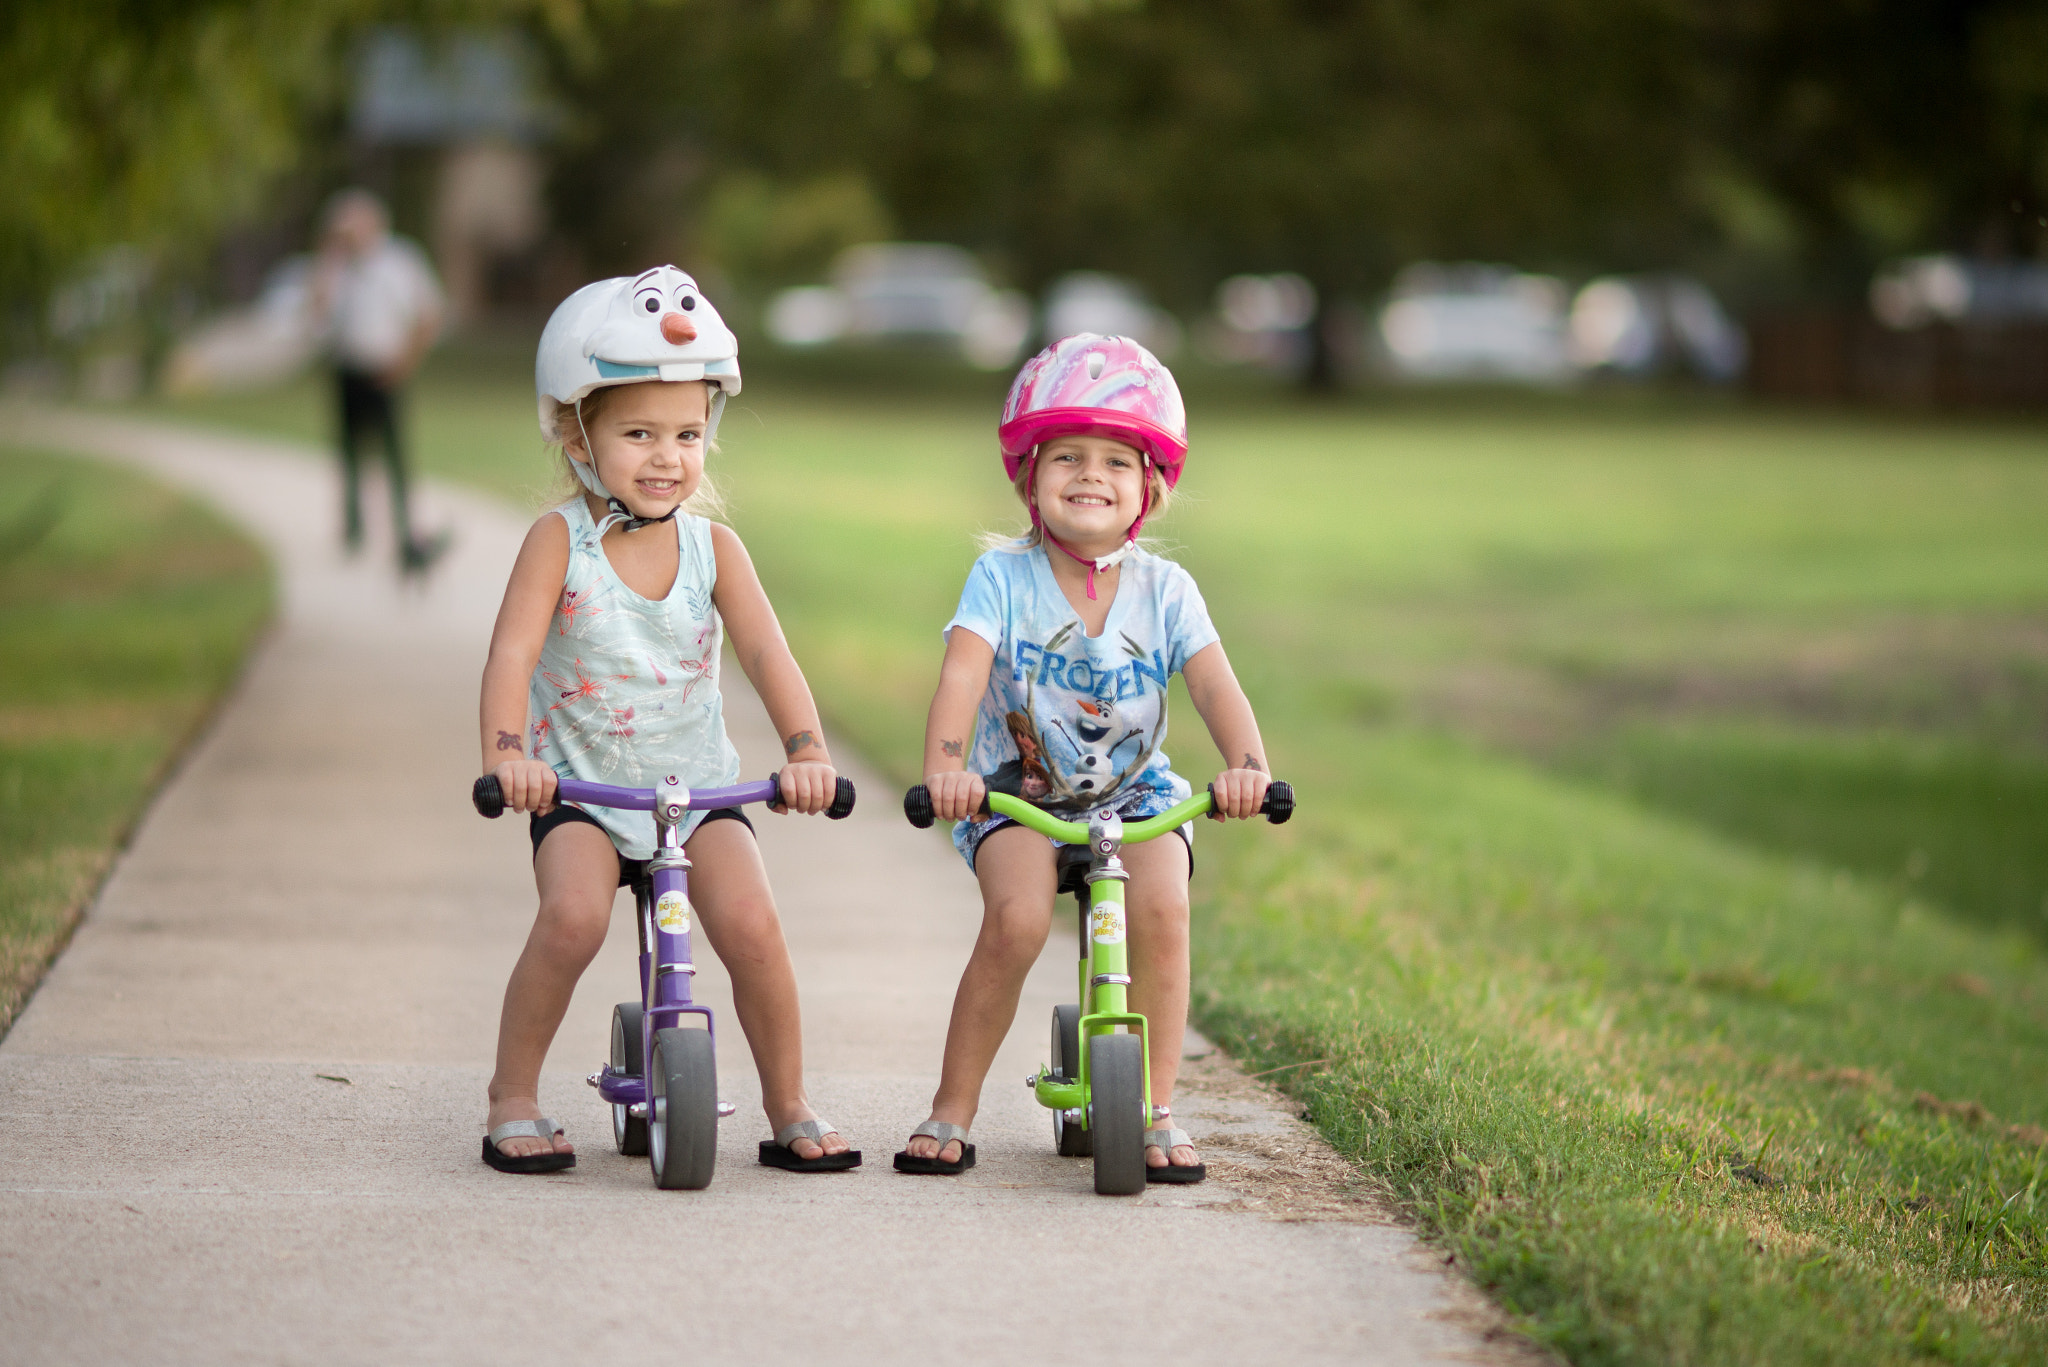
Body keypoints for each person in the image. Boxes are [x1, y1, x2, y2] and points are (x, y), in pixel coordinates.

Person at [476, 267, 857, 1174]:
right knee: (571, 917)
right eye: (638, 432)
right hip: (583, 788)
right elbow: (512, 657)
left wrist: (805, 750)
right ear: (577, 431)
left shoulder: (714, 548)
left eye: (687, 434)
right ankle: (512, 1098)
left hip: (697, 790)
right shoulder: (556, 541)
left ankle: (789, 1103)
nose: (665, 456)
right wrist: (507, 755)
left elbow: (768, 655)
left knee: (754, 925)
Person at [895, 334, 1272, 1183]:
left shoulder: (1167, 591)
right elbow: (961, 675)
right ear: (1029, 476)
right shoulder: (1000, 576)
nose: (1089, 474)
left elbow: (1215, 687)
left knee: (1164, 914)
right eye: (1066, 455)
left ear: (1150, 486)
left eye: (1115, 459)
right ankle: (952, 1106)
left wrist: (1247, 765)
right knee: (1020, 919)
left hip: (1136, 796)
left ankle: (1157, 1108)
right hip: (1017, 797)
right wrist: (945, 769)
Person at [309, 188, 449, 573]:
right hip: (346, 369)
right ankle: (353, 528)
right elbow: (317, 311)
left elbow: (428, 314)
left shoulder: (399, 261)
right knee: (349, 452)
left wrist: (406, 363)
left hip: (385, 370)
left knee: (393, 454)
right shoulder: (336, 266)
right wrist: (328, 259)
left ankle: (405, 529)